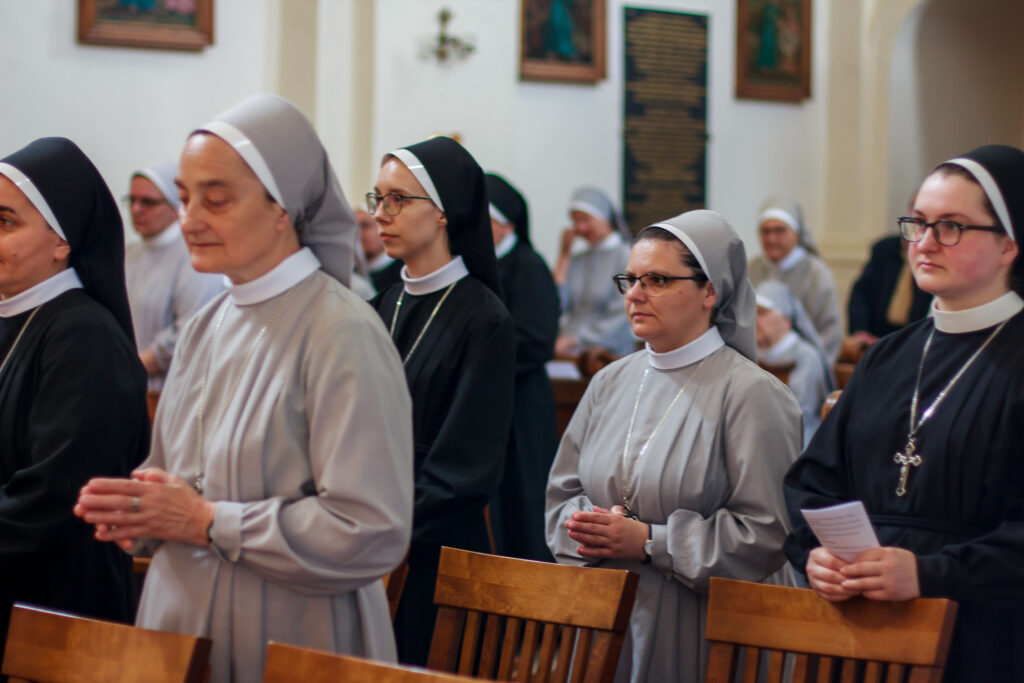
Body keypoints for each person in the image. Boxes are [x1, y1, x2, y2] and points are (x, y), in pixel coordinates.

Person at [75, 94, 413, 683]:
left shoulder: (343, 331)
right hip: (178, 627)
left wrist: (207, 520)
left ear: (282, 206)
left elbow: (372, 531)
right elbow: (180, 478)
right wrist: (144, 511)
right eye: (183, 198)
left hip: (292, 638)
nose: (190, 220)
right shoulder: (208, 323)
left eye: (217, 199)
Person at [783, 145, 1024, 682]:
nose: (925, 242)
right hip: (861, 631)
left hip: (985, 636)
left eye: (952, 226)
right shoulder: (886, 357)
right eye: (917, 223)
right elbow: (814, 482)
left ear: (1009, 243)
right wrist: (815, 554)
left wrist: (932, 573)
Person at [546, 210, 802, 683]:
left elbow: (766, 532)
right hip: (607, 612)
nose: (636, 295)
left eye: (658, 280)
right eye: (631, 279)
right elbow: (561, 496)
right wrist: (588, 529)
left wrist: (649, 542)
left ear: (711, 291)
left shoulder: (751, 393)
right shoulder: (608, 382)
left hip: (706, 627)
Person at [369, 137, 515, 665]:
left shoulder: (485, 319)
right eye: (377, 199)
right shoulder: (379, 305)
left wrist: (383, 528)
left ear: (444, 213)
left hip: (436, 553)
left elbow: (465, 466)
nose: (382, 214)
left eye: (398, 200)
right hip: (365, 537)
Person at [0, 138, 149, 648]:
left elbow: (58, 492)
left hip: (55, 601)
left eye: (5, 222)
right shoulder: (13, 316)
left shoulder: (84, 335)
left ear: (62, 241)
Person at [485, 172, 560, 562]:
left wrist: (480, 351)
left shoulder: (529, 266)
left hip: (524, 404)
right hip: (492, 406)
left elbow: (537, 340)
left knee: (525, 495)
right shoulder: (480, 265)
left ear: (506, 223)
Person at [123, 161, 222, 390]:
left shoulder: (194, 254)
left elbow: (192, 328)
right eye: (132, 200)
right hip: (130, 383)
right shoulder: (131, 253)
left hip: (169, 390)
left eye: (147, 202)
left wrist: (133, 366)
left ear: (174, 204)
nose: (136, 209)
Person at [747, 197, 841, 360]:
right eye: (765, 231)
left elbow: (829, 333)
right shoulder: (752, 268)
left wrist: (808, 362)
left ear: (796, 234)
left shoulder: (816, 274)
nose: (772, 239)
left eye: (780, 231)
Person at [554, 187, 636, 356]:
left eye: (586, 220)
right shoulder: (578, 260)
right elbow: (557, 305)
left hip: (608, 353)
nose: (581, 228)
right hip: (569, 353)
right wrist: (564, 256)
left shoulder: (626, 257)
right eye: (576, 222)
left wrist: (576, 339)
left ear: (604, 218)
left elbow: (623, 312)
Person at [755, 279, 834, 446]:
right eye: (751, 311)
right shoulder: (749, 352)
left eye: (762, 312)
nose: (755, 319)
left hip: (799, 439)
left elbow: (799, 414)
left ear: (786, 320)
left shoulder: (806, 357)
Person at [847, 233, 932, 344]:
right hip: (876, 334)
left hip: (913, 338)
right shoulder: (884, 249)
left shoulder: (930, 259)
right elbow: (861, 293)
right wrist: (861, 330)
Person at [359, 205, 402, 291]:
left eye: (365, 225)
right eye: (354, 227)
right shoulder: (352, 272)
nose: (359, 233)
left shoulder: (401, 270)